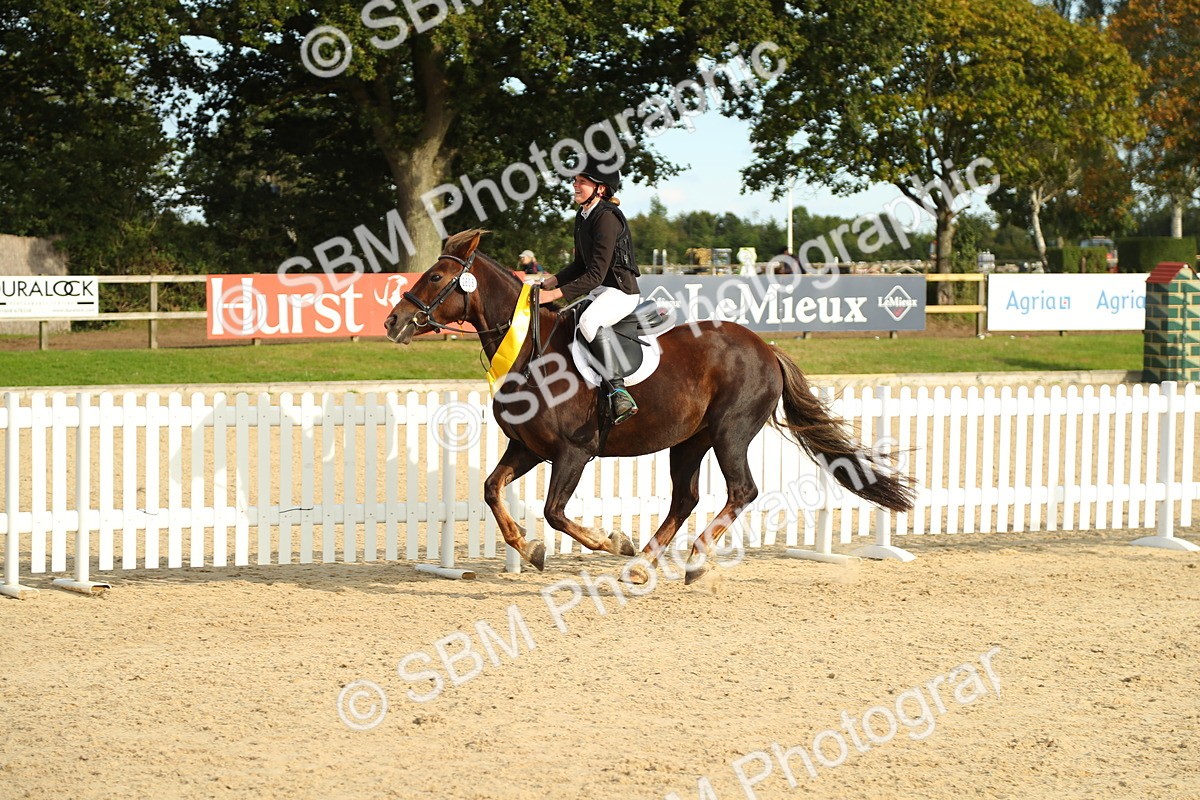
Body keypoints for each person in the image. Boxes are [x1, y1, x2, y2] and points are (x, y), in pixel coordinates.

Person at [536, 155, 640, 424]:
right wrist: (552, 281)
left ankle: (618, 391)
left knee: (588, 322)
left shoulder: (606, 218)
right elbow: (580, 265)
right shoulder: (583, 216)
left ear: (600, 188)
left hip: (621, 292)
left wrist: (554, 295)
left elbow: (595, 274)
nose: (575, 184)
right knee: (564, 321)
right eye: (575, 180)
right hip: (600, 291)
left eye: (581, 181)